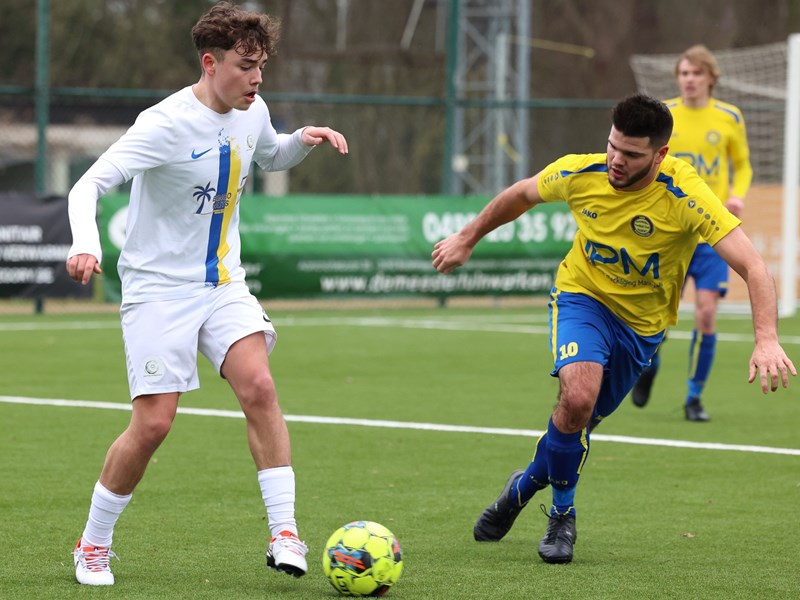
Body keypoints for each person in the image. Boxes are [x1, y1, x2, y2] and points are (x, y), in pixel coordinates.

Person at [431, 93, 794, 565]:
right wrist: (466, 237)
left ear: (661, 154)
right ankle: (563, 516)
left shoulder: (685, 193)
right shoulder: (582, 172)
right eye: (612, 147)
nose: (616, 161)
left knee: (574, 424)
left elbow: (754, 265)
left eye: (631, 154)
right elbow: (520, 194)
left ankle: (518, 491)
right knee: (577, 397)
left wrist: (766, 338)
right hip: (581, 298)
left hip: (641, 329)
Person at [65, 1, 348, 586]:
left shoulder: (254, 109)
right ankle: (92, 544)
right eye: (246, 66)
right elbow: (89, 183)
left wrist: (302, 139)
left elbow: (267, 154)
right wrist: (84, 244)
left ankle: (285, 532)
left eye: (262, 66)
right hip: (157, 292)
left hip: (222, 284)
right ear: (210, 62)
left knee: (260, 386)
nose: (257, 78)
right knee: (153, 425)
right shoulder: (163, 123)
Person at [631, 45, 752, 421]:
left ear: (710, 78)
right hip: (669, 234)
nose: (689, 80)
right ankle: (648, 368)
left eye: (696, 73)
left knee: (706, 315)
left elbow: (743, 165)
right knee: (655, 316)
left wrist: (736, 195)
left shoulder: (729, 117)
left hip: (711, 233)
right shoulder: (664, 115)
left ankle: (693, 398)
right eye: (684, 73)